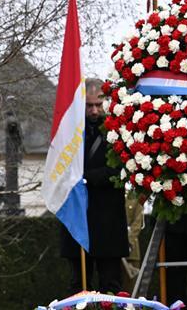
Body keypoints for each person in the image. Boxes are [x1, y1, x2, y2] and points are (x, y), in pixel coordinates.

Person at [60, 77, 128, 293]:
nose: (95, 111)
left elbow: (120, 171)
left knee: (111, 287)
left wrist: (87, 177)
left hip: (109, 220)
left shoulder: (119, 132)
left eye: (99, 105)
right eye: (89, 106)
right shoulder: (69, 134)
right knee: (78, 288)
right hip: (79, 219)